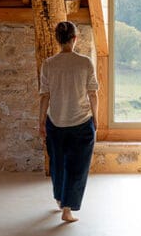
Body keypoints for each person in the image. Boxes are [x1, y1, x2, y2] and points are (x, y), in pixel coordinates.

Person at [38, 21, 99, 223]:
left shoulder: (48, 64)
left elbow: (44, 96)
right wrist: (96, 119)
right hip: (81, 122)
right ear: (75, 39)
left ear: (57, 39)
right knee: (78, 166)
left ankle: (59, 198)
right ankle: (67, 208)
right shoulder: (85, 63)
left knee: (57, 163)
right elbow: (93, 94)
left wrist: (40, 122)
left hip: (55, 122)